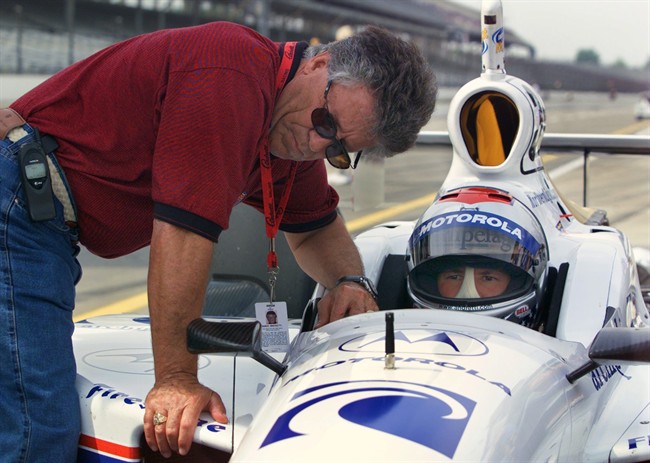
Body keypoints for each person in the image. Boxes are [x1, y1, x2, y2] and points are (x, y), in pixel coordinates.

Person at [0, 21, 437, 461]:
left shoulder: (289, 132)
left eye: (336, 150)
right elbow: (183, 234)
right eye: (325, 123)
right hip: (19, 197)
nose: (314, 144)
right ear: (318, 65)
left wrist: (350, 281)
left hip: (36, 211)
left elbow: (317, 229)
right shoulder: (232, 75)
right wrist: (175, 379)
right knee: (36, 425)